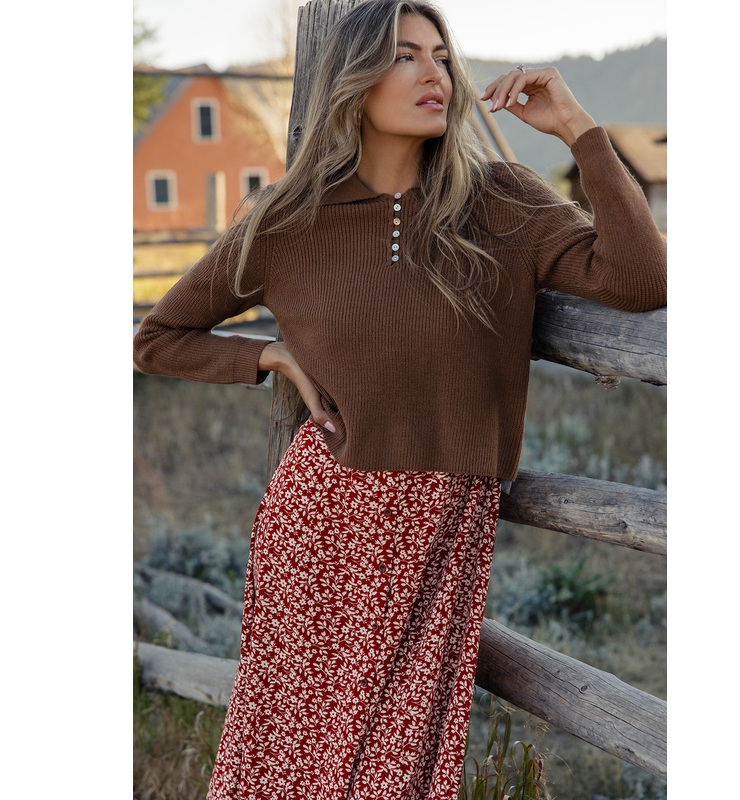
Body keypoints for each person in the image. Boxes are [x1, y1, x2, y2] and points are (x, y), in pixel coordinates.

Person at [133, 0, 667, 797]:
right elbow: (158, 338)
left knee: (389, 770)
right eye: (405, 56)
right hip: (319, 524)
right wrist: (270, 355)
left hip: (440, 525)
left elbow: (641, 279)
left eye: (441, 57)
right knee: (288, 759)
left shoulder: (502, 200)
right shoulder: (287, 220)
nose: (433, 73)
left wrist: (578, 130)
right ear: (353, 81)